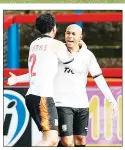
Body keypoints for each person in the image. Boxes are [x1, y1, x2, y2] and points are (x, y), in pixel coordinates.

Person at [7, 24, 117, 147]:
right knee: (67, 141)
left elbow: (99, 78)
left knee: (80, 140)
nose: (70, 36)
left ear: (80, 37)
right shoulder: (57, 51)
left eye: (73, 34)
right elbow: (39, 72)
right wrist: (18, 79)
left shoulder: (88, 55)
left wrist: (112, 99)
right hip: (61, 103)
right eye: (67, 33)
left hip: (82, 103)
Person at [7, 13, 83, 147]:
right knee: (51, 140)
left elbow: (35, 73)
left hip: (33, 95)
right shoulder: (56, 44)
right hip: (43, 97)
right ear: (54, 28)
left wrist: (17, 78)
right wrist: (80, 47)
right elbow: (73, 62)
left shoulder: (34, 44)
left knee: (51, 140)